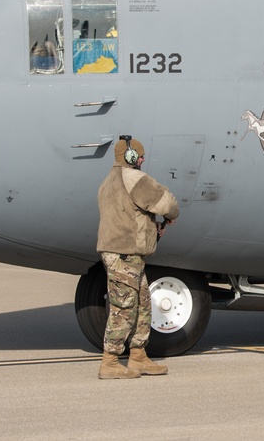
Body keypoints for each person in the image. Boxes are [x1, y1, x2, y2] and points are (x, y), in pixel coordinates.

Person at [96, 136, 179, 379]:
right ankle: (110, 361)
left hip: (127, 255)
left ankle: (138, 356)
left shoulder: (107, 182)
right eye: (139, 155)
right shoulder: (134, 179)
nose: (142, 159)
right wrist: (171, 215)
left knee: (142, 304)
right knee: (125, 307)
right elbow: (167, 203)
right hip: (124, 254)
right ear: (130, 157)